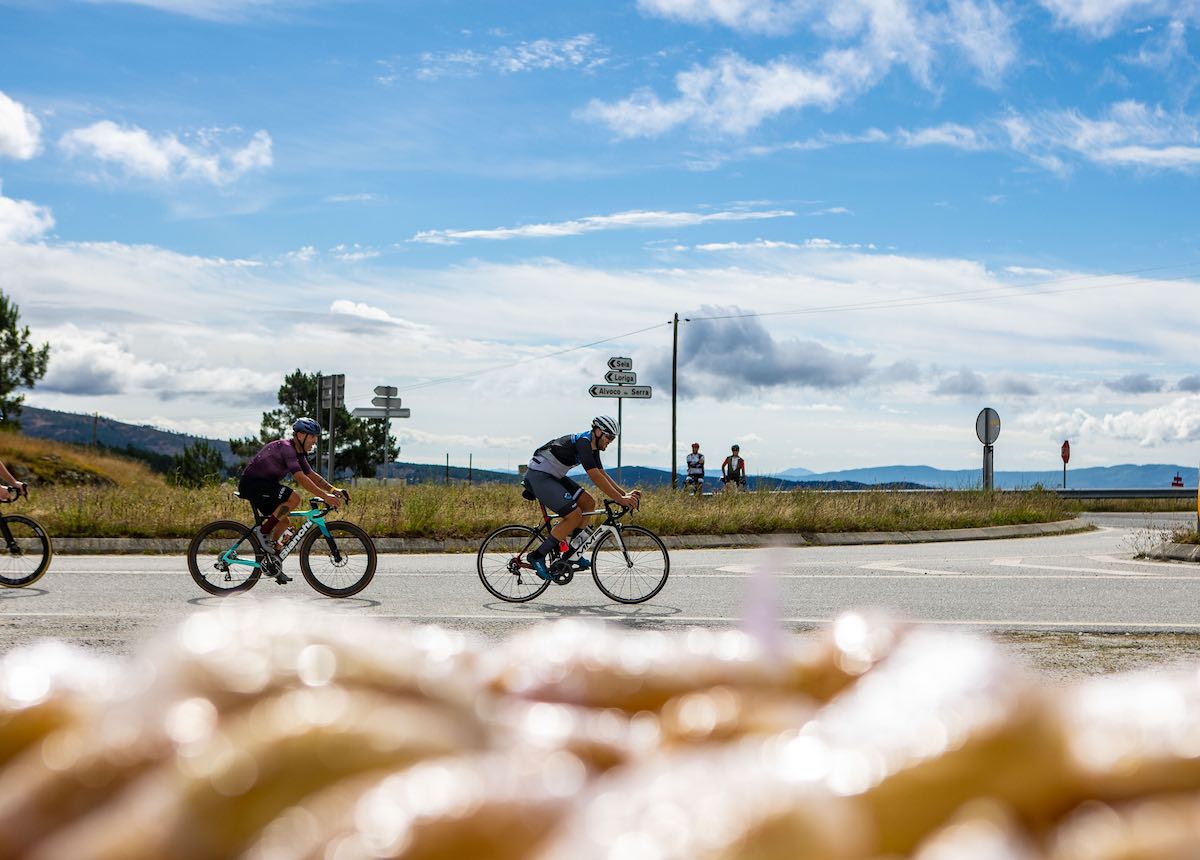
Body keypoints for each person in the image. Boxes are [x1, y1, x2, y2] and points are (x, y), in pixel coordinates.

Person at [522, 415, 641, 581]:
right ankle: (537, 556)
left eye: (613, 438)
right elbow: (594, 476)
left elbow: (602, 473)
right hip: (539, 476)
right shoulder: (583, 442)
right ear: (598, 432)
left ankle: (573, 553)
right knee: (574, 515)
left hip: (554, 476)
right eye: (609, 437)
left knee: (588, 503)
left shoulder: (593, 447)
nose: (610, 441)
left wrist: (624, 494)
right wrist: (621, 500)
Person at [238, 417, 346, 583]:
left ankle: (272, 564)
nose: (315, 441)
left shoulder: (298, 453)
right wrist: (325, 497)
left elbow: (311, 475)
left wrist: (333, 490)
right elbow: (301, 478)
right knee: (294, 498)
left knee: (284, 523)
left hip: (264, 486)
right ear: (301, 435)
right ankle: (263, 532)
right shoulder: (287, 448)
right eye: (312, 436)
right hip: (252, 485)